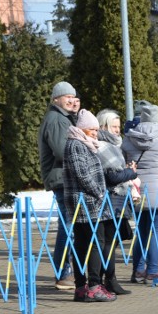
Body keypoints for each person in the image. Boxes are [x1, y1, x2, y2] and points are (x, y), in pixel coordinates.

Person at [62, 109, 117, 303]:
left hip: (88, 200)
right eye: (92, 129)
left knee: (85, 242)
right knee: (94, 242)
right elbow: (82, 173)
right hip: (86, 201)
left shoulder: (84, 143)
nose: (95, 133)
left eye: (96, 129)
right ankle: (92, 285)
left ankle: (83, 286)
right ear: (83, 129)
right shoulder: (76, 145)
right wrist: (99, 191)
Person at [121, 101, 158, 283]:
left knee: (141, 231)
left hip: (136, 190)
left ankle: (138, 270)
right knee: (156, 231)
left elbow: (121, 163)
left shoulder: (129, 138)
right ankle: (152, 271)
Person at [38, 81, 78, 290]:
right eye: (66, 96)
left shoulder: (64, 119)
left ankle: (66, 271)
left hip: (66, 178)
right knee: (69, 227)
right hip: (62, 179)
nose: (71, 99)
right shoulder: (56, 119)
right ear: (56, 100)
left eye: (73, 96)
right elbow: (63, 151)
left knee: (70, 226)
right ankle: (63, 272)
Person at [95, 108, 139, 296]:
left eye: (118, 127)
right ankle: (107, 280)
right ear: (103, 126)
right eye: (113, 127)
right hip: (109, 198)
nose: (116, 130)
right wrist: (131, 172)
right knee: (107, 241)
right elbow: (112, 177)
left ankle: (109, 279)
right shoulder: (103, 146)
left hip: (117, 198)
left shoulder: (114, 145)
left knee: (112, 241)